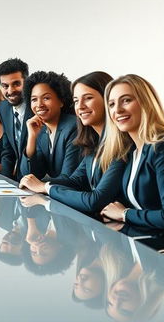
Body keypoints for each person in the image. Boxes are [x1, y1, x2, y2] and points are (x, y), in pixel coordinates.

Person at [20, 71, 126, 214]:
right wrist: (37, 184)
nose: (80, 106)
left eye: (88, 98)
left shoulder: (120, 145)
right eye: (76, 101)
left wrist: (45, 187)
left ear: (108, 100)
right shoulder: (93, 141)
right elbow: (75, 180)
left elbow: (94, 200)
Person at [98, 74, 164, 234]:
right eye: (111, 104)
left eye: (126, 100)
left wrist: (124, 214)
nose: (117, 110)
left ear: (146, 103)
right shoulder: (132, 152)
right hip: (143, 240)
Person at [19, 70, 80, 181]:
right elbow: (29, 173)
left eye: (46, 98)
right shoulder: (40, 130)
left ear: (61, 101)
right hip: (55, 194)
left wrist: (40, 185)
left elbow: (69, 177)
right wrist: (32, 138)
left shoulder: (73, 127)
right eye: (34, 99)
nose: (39, 105)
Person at [0, 58, 31, 180]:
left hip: (43, 180)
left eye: (16, 84)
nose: (10, 91)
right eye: (5, 86)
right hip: (18, 180)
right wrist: (5, 182)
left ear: (26, 82)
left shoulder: (38, 107)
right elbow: (8, 151)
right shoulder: (3, 108)